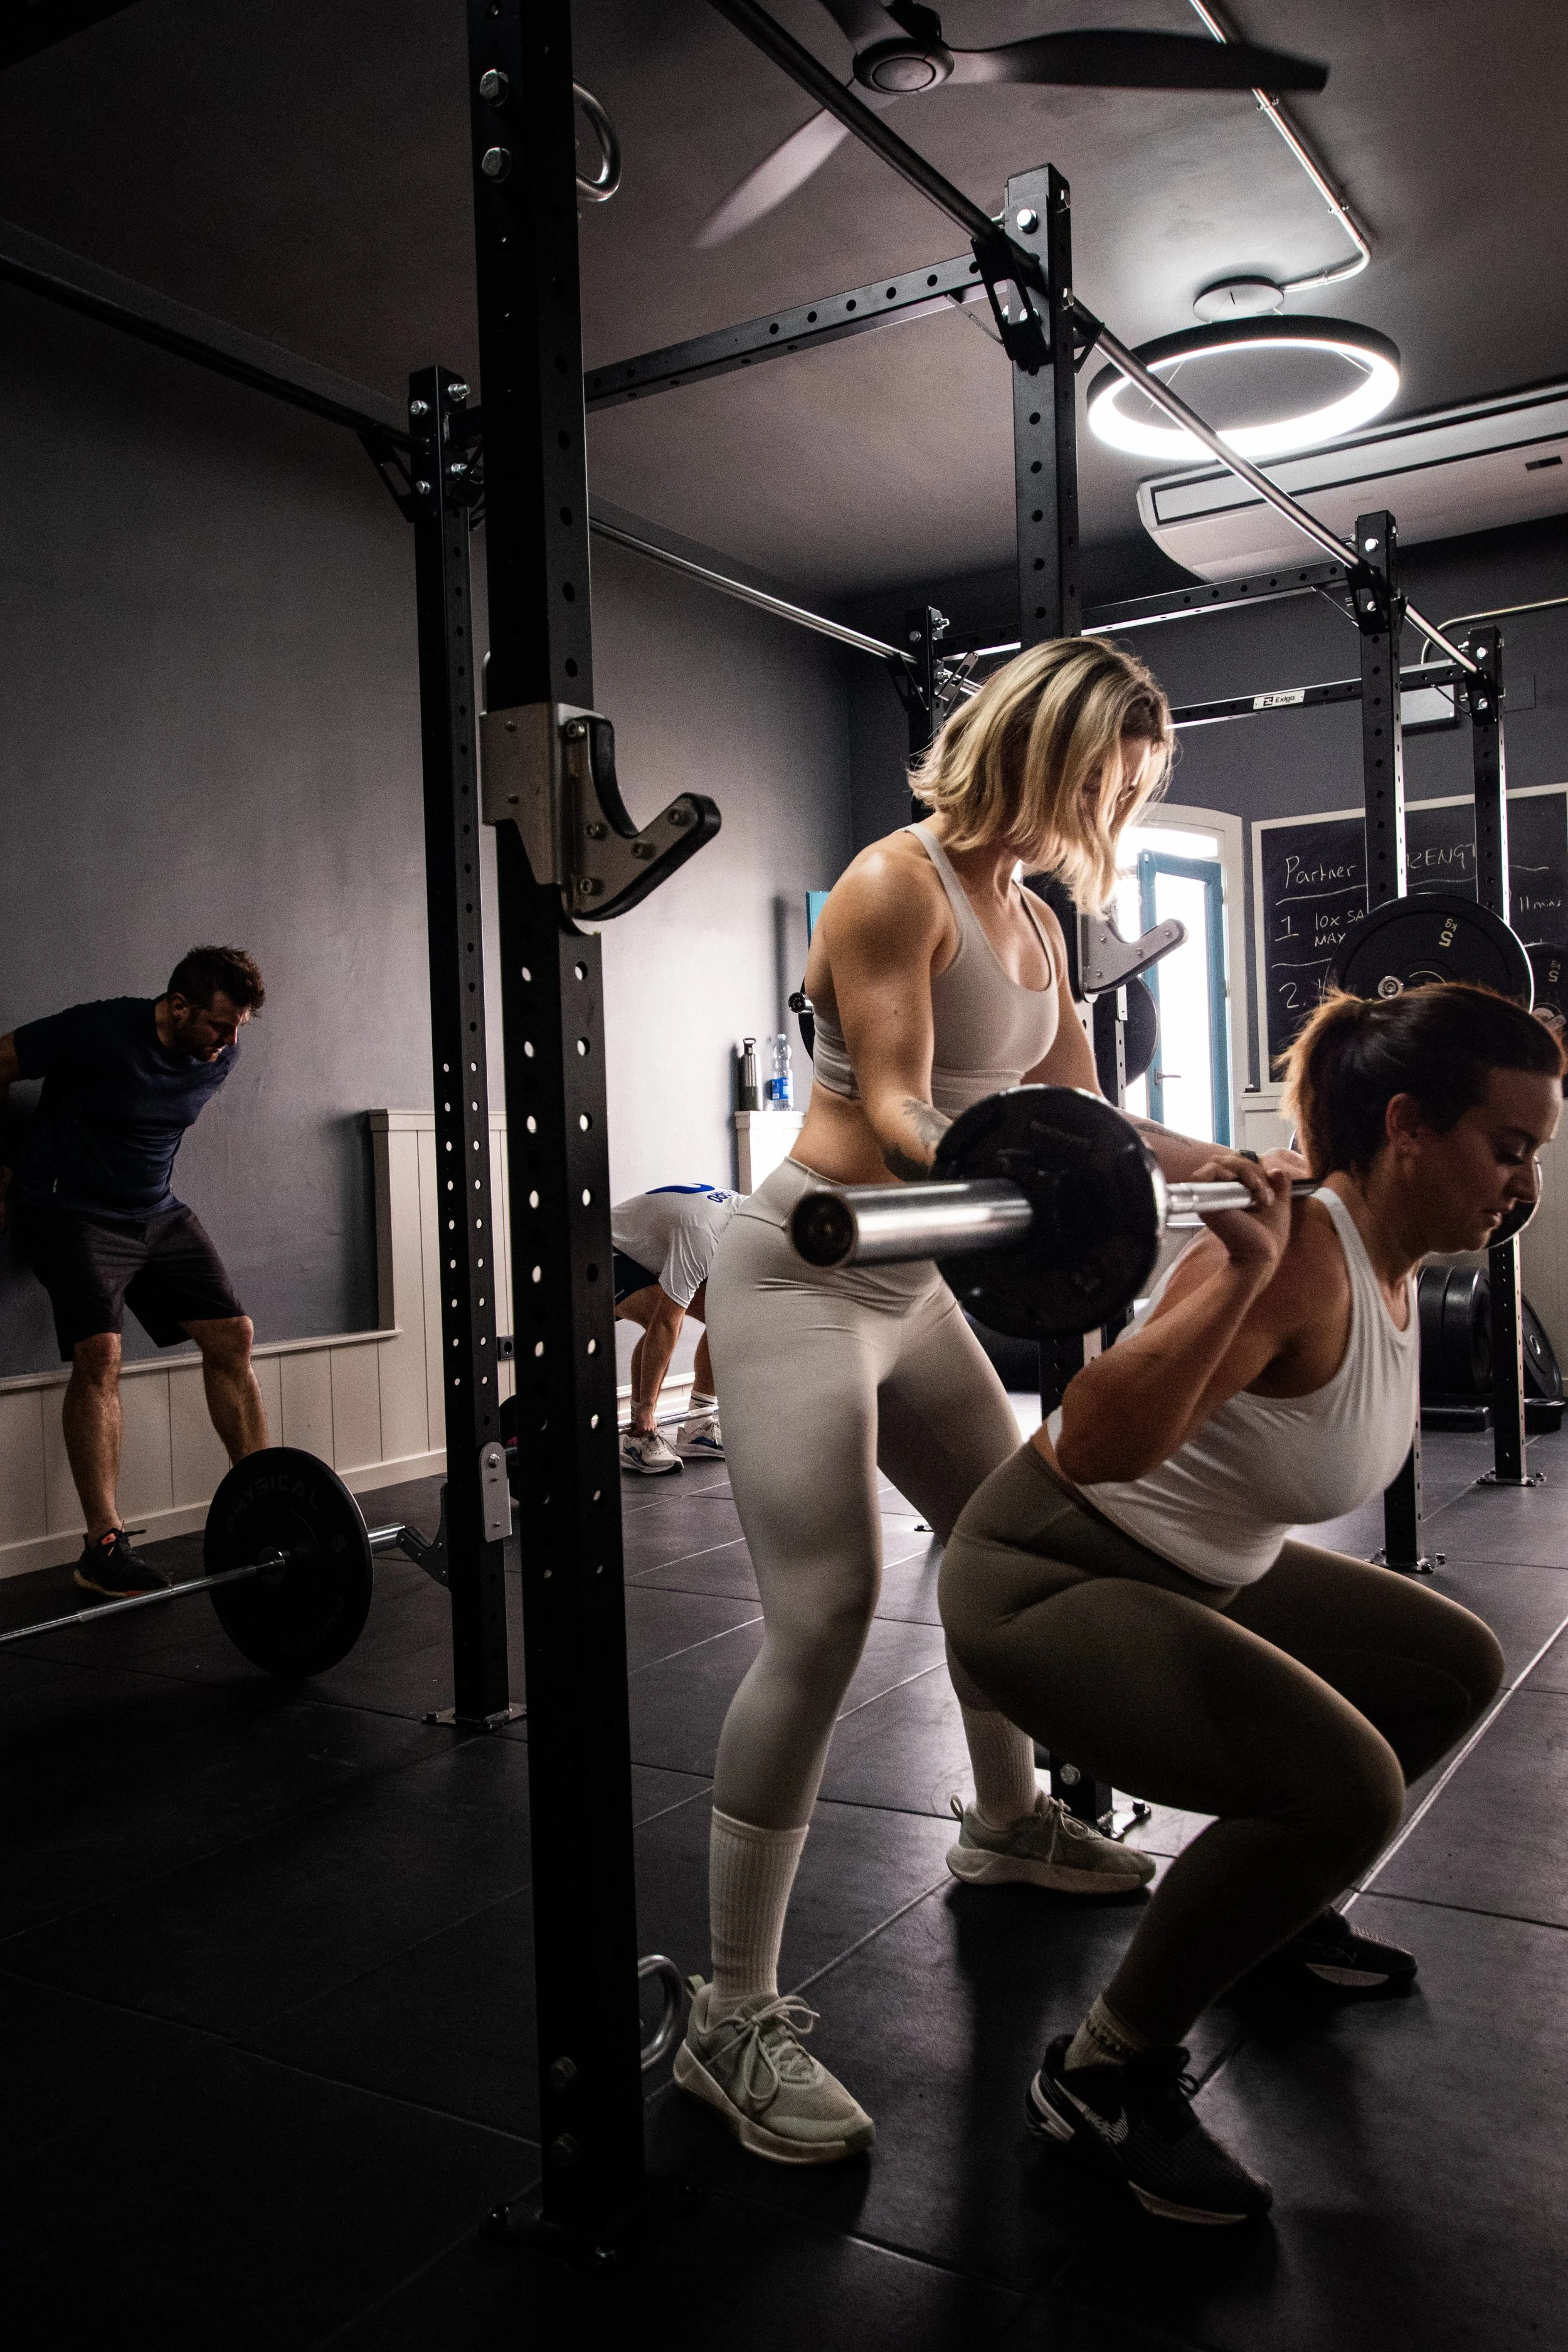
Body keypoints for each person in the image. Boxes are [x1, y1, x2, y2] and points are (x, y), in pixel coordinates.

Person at [675, 635, 1281, 2168]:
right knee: (824, 1609)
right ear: (1042, 749)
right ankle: (725, 2007)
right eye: (1107, 777)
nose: (1114, 808)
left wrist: (1205, 1161)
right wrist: (1018, 1172)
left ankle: (1003, 1823)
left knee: (1002, 1544)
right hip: (812, 1259)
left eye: (1135, 788)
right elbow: (889, 1101)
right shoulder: (895, 881)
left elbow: (1073, 1108)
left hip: (916, 1277)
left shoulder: (1037, 916)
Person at [940, 982, 1558, 2225]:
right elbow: (1095, 1443)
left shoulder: (1384, 1264)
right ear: (1404, 1126)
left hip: (1204, 1566)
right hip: (1044, 1577)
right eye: (1505, 1148)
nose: (1522, 1185)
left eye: (1536, 1154)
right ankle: (1101, 2073)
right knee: (1341, 1788)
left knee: (1449, 1668)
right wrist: (1231, 1280)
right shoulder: (1298, 1264)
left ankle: (1261, 1926)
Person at [0, 947, 270, 1598]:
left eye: (241, 1027)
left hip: (155, 1211)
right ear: (178, 1006)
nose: (231, 1042)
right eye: (220, 1025)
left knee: (234, 1334)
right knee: (100, 1354)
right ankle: (104, 1546)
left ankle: (267, 1504)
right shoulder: (98, 1030)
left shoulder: (220, 1053)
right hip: (69, 1208)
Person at [612, 1182, 737, 1473]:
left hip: (649, 1252)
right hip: (603, 1249)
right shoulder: (704, 1237)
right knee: (664, 1316)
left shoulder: (747, 1217)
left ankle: (700, 1426)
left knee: (725, 1314)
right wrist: (647, 1407)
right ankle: (638, 1436)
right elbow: (666, 1324)